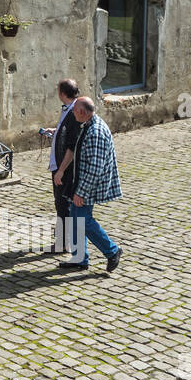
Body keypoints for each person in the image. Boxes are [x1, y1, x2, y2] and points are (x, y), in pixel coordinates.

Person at [59, 96, 124, 273]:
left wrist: (81, 192)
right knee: (76, 218)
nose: (72, 112)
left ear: (82, 112)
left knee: (83, 220)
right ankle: (80, 258)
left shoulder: (95, 132)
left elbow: (94, 168)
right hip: (81, 182)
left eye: (74, 110)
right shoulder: (88, 124)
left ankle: (112, 251)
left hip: (88, 185)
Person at [40, 79, 80, 255]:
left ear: (62, 93)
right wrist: (55, 132)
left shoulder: (74, 113)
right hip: (59, 164)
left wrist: (61, 171)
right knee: (61, 204)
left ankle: (64, 244)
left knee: (63, 204)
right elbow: (68, 134)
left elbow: (72, 146)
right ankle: (63, 242)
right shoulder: (69, 110)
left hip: (64, 167)